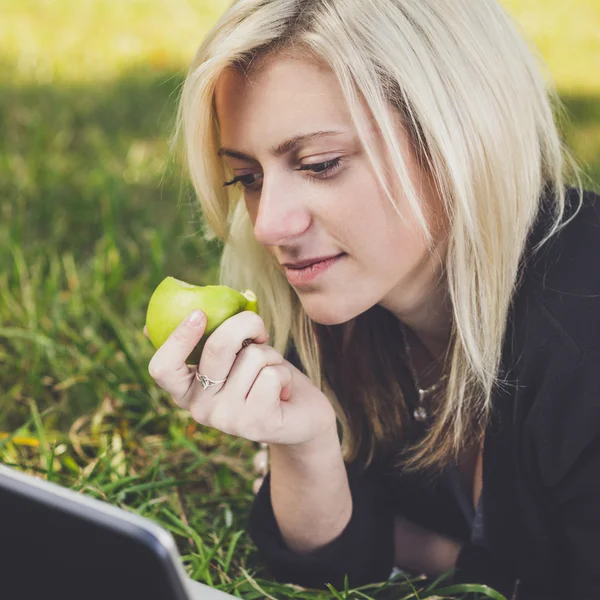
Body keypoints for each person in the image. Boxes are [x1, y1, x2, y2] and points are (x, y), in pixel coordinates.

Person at [144, 0, 600, 598]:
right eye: (248, 178)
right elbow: (332, 568)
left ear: (457, 138)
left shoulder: (580, 320)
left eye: (319, 163)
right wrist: (305, 446)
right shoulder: (342, 303)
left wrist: (431, 550)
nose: (268, 225)